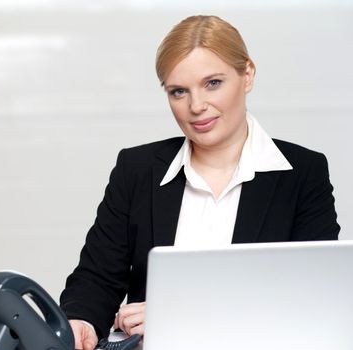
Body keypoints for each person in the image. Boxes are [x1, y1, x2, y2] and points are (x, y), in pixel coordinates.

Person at [59, 15, 340, 350]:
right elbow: (96, 278)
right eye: (179, 91)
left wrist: (178, 313)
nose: (196, 106)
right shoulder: (137, 169)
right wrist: (82, 322)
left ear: (247, 74)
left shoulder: (302, 172)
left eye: (213, 83)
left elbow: (311, 297)